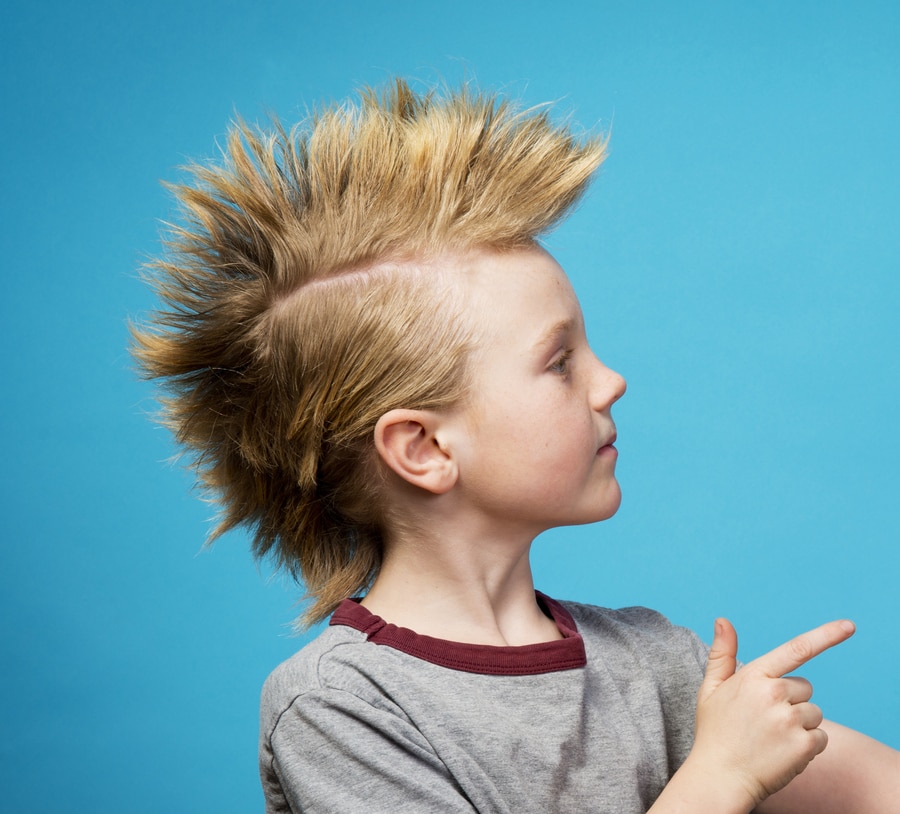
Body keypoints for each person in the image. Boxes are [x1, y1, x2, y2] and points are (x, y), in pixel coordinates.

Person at [132, 80, 899, 813]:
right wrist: (723, 777)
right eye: (560, 362)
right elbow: (723, 772)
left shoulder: (654, 662)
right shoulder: (343, 705)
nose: (612, 381)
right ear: (424, 448)